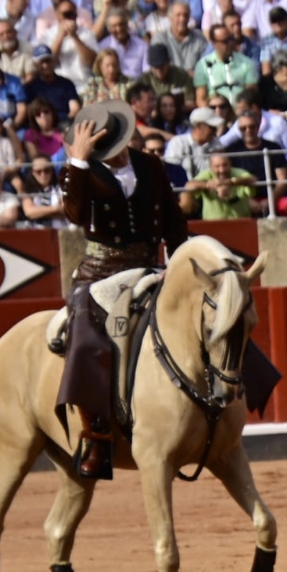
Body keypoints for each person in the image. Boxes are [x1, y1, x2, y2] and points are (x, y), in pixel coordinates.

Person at [57, 100, 190, 479]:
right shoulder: (78, 172)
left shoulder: (150, 165)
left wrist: (178, 264)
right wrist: (79, 161)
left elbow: (174, 222)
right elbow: (74, 213)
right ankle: (97, 435)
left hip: (151, 266)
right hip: (101, 273)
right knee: (85, 338)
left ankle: (226, 402)